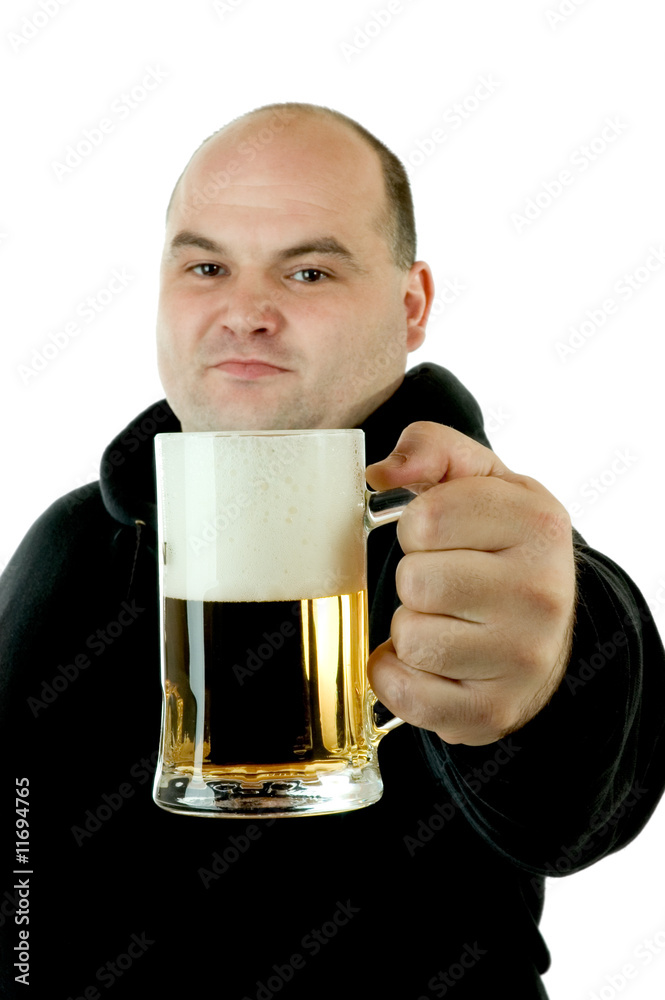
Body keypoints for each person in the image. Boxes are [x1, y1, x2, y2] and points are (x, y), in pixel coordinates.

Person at [1, 102, 664, 999]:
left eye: (308, 271)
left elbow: (582, 786)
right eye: (206, 266)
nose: (245, 313)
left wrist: (548, 679)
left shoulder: (465, 538)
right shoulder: (70, 535)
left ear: (410, 305)